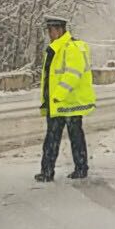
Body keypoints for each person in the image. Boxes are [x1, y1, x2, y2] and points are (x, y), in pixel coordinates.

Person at [37, 15, 94, 182]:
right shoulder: (56, 48)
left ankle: (80, 168)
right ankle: (47, 171)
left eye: (51, 30)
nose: (49, 34)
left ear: (60, 30)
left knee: (71, 137)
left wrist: (58, 96)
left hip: (69, 102)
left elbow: (73, 74)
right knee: (54, 138)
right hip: (57, 103)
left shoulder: (71, 47)